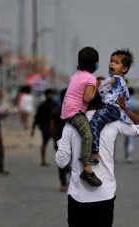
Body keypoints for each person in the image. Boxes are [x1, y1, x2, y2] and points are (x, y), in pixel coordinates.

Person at [56, 93, 139, 227]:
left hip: (78, 196)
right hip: (105, 194)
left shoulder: (70, 126)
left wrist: (61, 144)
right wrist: (126, 110)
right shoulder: (113, 122)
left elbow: (62, 162)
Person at [60, 47, 99, 187]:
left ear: (79, 61)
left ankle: (89, 159)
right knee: (88, 135)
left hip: (67, 110)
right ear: (95, 63)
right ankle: (87, 170)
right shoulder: (91, 78)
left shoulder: (77, 74)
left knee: (86, 134)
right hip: (74, 111)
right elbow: (88, 98)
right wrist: (96, 88)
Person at [91, 49, 134, 165]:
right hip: (111, 108)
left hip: (110, 108)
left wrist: (98, 83)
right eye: (111, 61)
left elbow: (100, 91)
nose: (112, 64)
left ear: (124, 69)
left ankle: (94, 153)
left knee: (94, 124)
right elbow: (126, 97)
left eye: (116, 62)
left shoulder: (116, 79)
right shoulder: (115, 79)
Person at [50, 88, 70, 192]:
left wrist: (54, 141)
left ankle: (62, 184)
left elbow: (52, 127)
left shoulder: (55, 110)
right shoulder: (73, 110)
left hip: (59, 139)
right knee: (73, 161)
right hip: (70, 140)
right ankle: (71, 182)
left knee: (61, 161)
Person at [32, 89, 57, 166]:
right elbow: (37, 117)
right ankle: (43, 160)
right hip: (45, 127)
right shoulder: (42, 105)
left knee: (57, 144)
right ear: (46, 95)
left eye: (51, 94)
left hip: (54, 127)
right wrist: (33, 128)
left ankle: (60, 161)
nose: (50, 95)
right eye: (49, 94)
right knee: (44, 143)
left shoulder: (55, 104)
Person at [124, 87, 137, 163]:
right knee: (131, 140)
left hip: (124, 122)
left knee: (126, 141)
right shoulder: (135, 101)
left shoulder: (125, 101)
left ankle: (126, 154)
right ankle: (129, 156)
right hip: (132, 122)